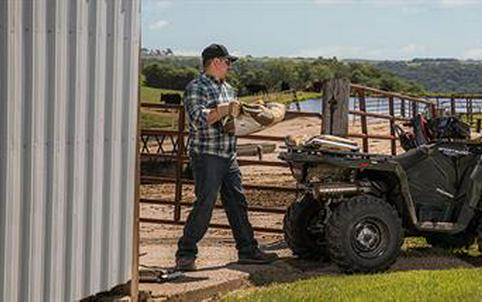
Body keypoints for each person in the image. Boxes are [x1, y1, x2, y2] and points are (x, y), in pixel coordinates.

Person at [174, 43, 278, 271]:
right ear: (215, 62)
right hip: (207, 154)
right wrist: (223, 109)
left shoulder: (229, 89)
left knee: (237, 202)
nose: (230, 66)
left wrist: (253, 116)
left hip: (228, 154)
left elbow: (234, 122)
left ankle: (248, 250)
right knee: (206, 203)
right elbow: (197, 120)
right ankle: (186, 253)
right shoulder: (196, 87)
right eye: (227, 62)